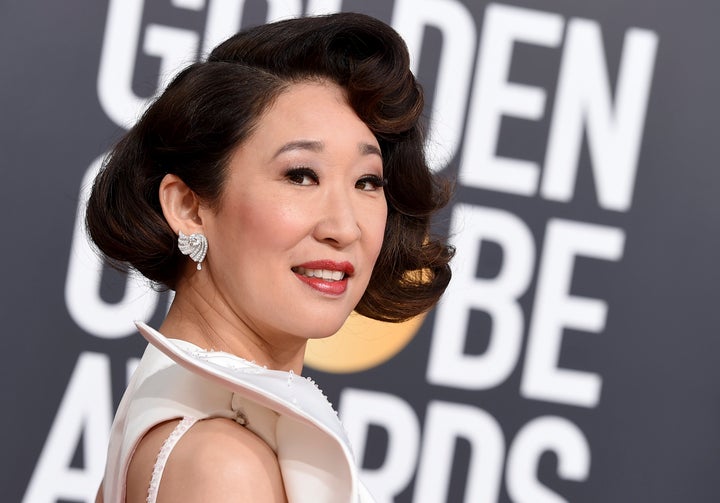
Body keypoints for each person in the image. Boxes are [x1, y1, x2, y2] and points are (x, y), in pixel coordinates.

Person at [86, 12, 453, 503]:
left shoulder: (189, 430)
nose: (344, 227)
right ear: (189, 207)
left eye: (368, 181)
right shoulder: (222, 468)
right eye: (301, 175)